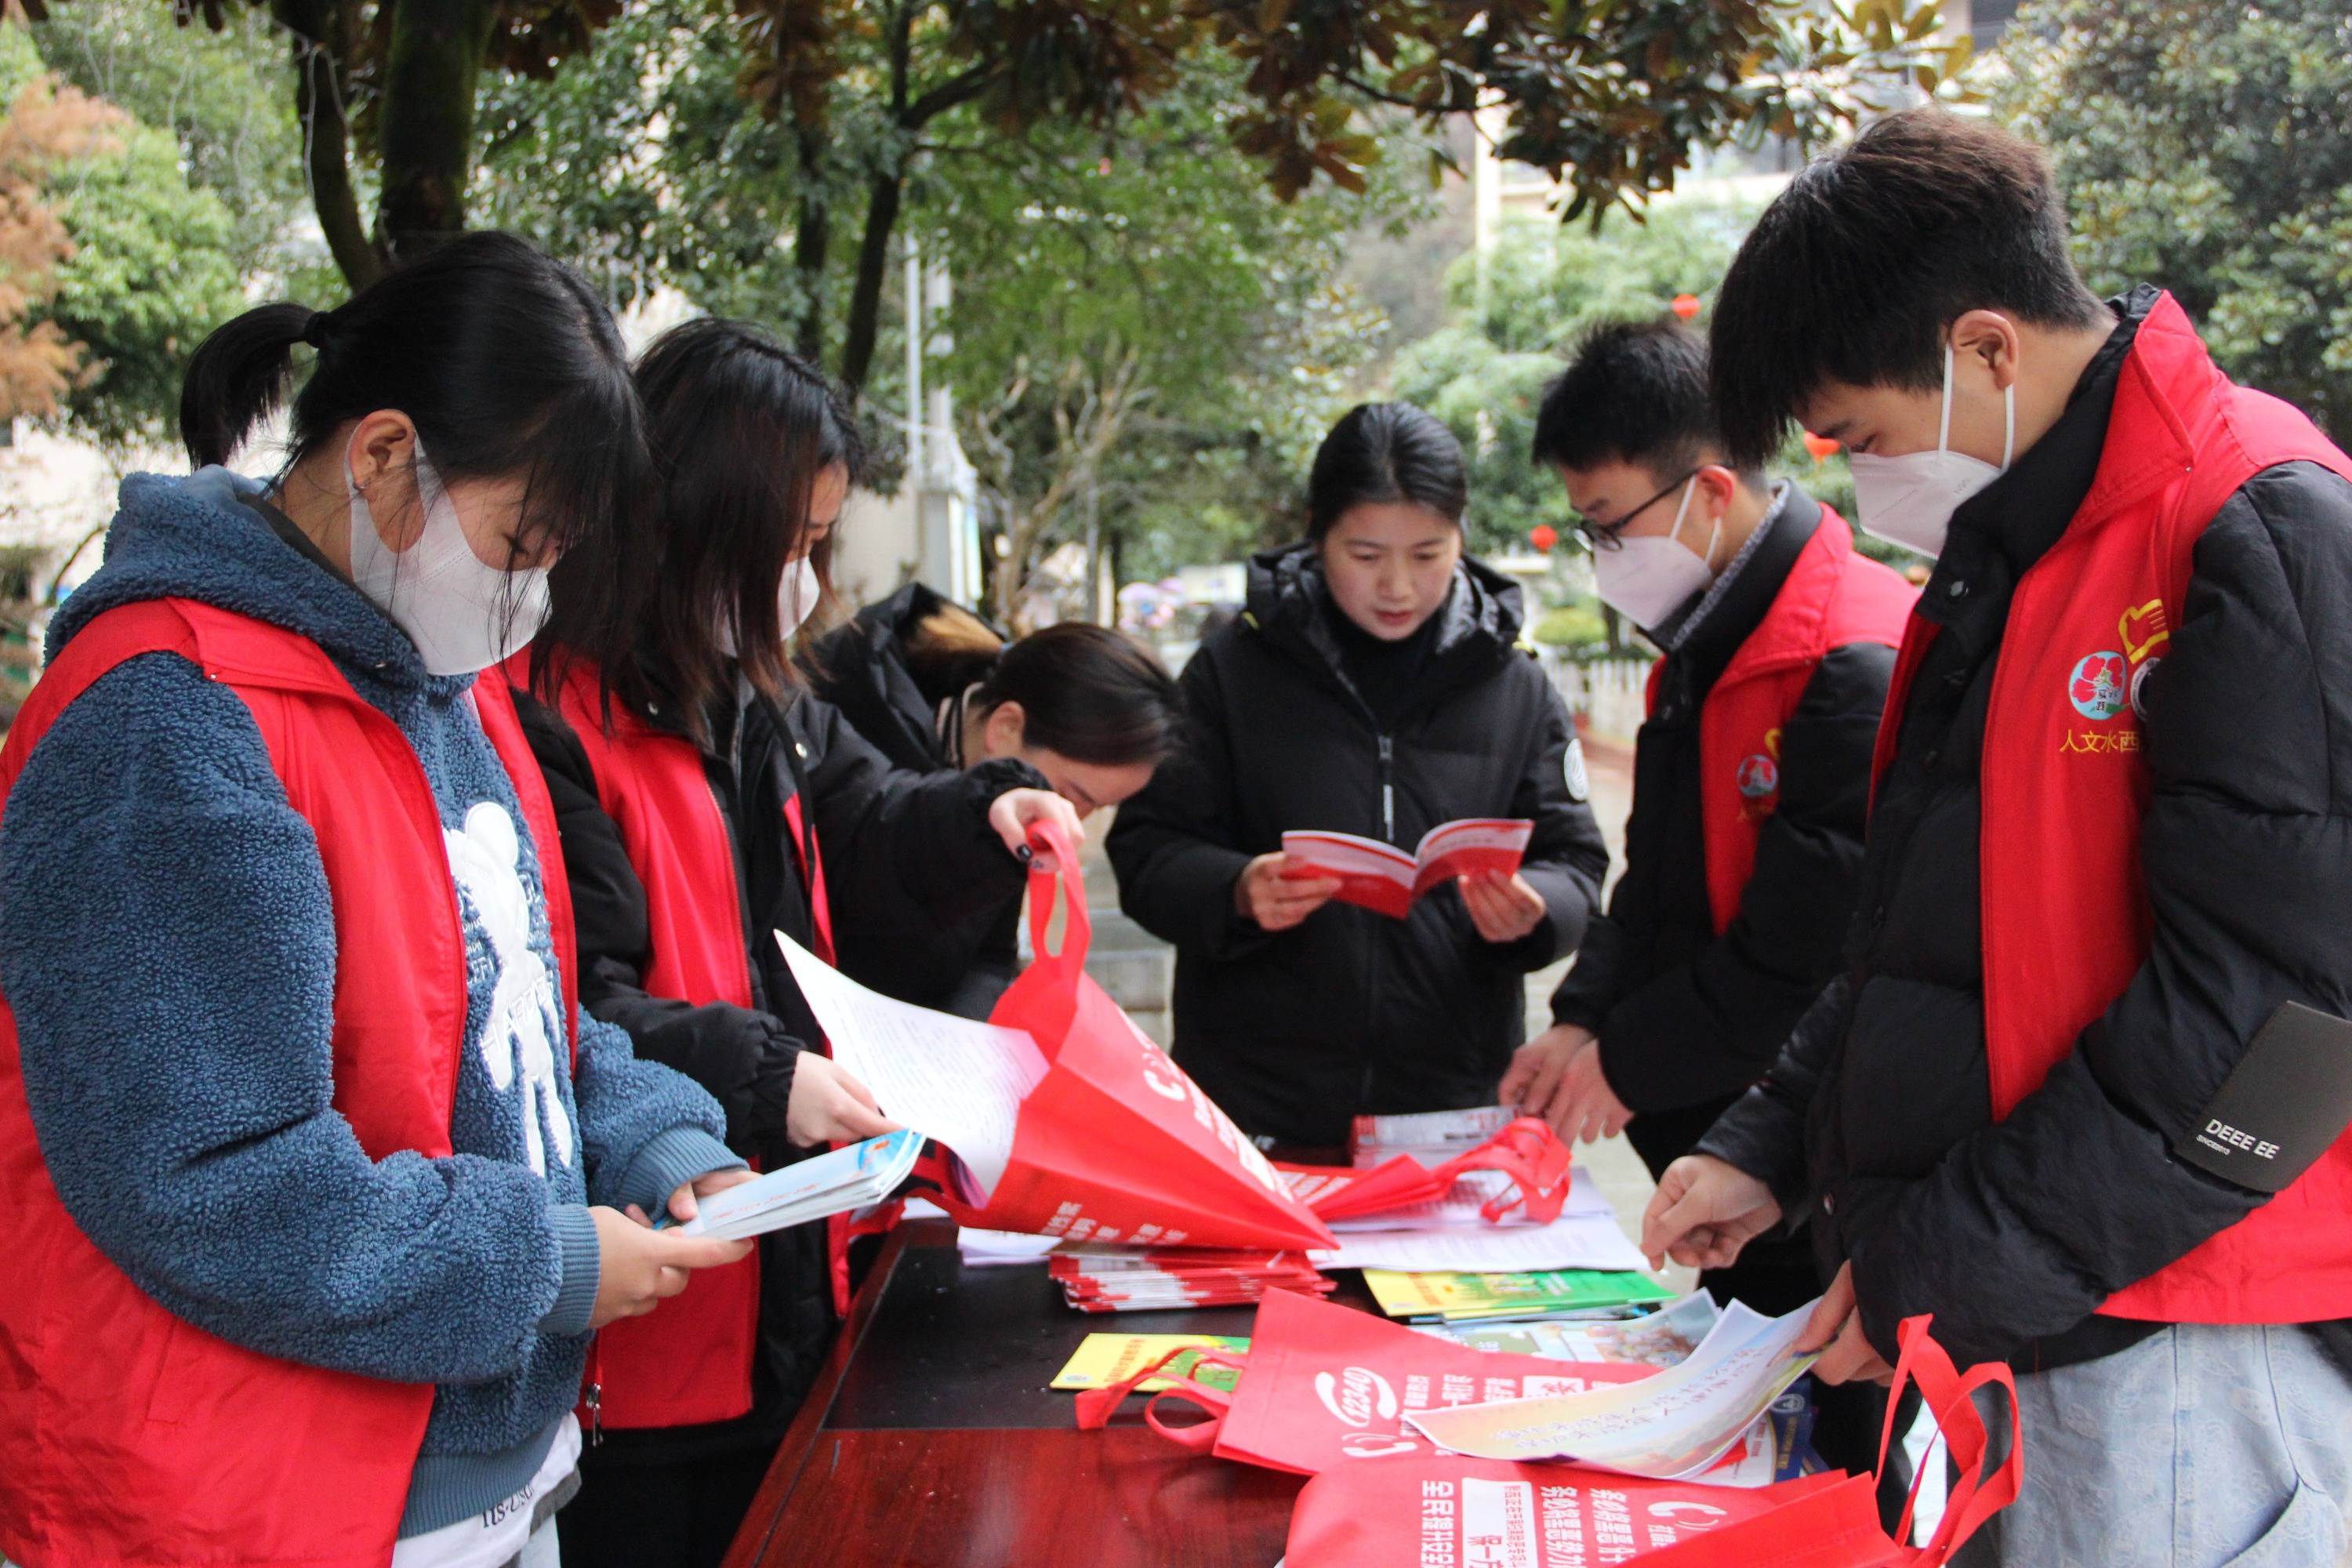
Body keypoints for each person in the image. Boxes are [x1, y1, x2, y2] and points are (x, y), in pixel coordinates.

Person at [1642, 108, 2352, 1566]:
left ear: (1984, 352)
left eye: (1866, 436)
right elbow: (1927, 925)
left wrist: (1944, 1260)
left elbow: (2288, 1016)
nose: (1859, 480)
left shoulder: (2252, 523)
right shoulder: (2012, 553)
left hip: (2169, 1338)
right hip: (2008, 1319)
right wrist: (1777, 1143)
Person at [0, 234, 756, 1568]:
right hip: (268, 1498)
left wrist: (653, 1141)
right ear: (386, 454)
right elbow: (208, 1182)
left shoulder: (443, 690)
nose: (534, 592)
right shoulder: (169, 719)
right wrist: (547, 1259)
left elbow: (518, 1018)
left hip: (489, 1468)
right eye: (524, 539)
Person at [516, 318, 1083, 1568]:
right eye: (793, 543)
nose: (807, 580)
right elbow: (567, 1003)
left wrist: (987, 812)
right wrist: (766, 1076)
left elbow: (869, 825)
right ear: (692, 517)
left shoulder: (755, 697)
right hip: (651, 1326)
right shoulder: (548, 717)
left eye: (821, 544)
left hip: (795, 1278)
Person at [1501, 318, 1912, 1293]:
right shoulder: (1704, 643)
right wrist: (1580, 1020)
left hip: (1809, 1144)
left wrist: (1626, 1063)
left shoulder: (1851, 654)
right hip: (1719, 1136)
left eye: (1608, 522)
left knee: (1835, 1414)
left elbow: (1809, 952)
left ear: (1710, 493)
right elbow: (1660, 879)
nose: (1603, 554)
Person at [1109, 401, 1609, 1146]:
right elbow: (1147, 849)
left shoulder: (1514, 685)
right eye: (1366, 556)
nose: (1398, 587)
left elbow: (1577, 860)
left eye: (1428, 554)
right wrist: (1237, 889)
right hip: (1259, 1104)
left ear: (1461, 537)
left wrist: (1542, 907)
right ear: (1317, 534)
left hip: (1451, 1105)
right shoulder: (1232, 673)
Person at [804, 585, 1184, 1014]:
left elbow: (989, 953)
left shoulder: (1007, 799)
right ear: (1005, 727)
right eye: (1075, 795)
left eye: (1099, 808)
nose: (1075, 822)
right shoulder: (844, 737)